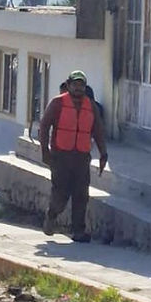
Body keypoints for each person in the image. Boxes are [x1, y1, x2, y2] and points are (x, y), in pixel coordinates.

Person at [37, 70, 108, 243]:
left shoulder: (90, 106)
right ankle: (52, 215)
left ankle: (78, 231)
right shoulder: (58, 103)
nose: (78, 88)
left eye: (81, 85)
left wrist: (103, 153)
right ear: (68, 85)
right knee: (61, 194)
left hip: (82, 158)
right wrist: (45, 151)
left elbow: (98, 131)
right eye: (75, 84)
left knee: (81, 195)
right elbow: (44, 126)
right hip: (61, 156)